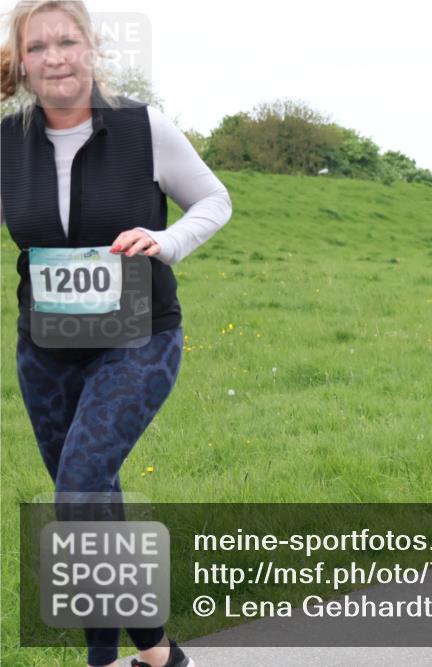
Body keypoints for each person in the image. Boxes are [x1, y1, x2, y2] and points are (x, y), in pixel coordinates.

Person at [1, 2, 231, 665]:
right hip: (45, 349)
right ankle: (133, 654)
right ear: (23, 61)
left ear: (92, 48)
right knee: (94, 499)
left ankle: (139, 650)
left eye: (66, 41)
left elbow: (214, 199)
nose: (55, 57)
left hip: (138, 337)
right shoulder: (7, 143)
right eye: (38, 47)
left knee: (77, 489)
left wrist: (165, 241)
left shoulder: (142, 128)